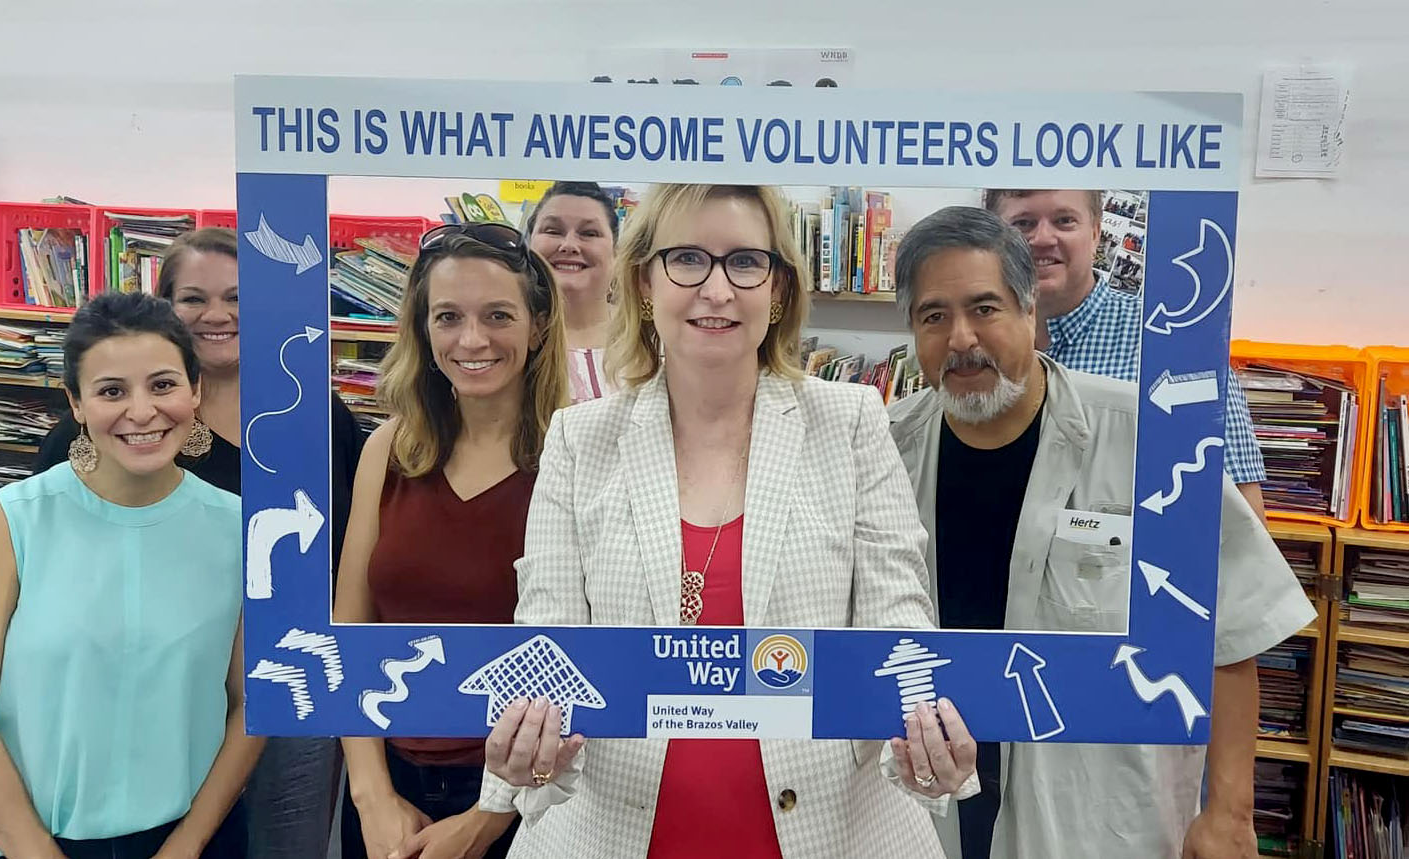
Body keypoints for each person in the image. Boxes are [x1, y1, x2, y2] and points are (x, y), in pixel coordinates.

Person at [480, 183, 979, 859]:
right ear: (645, 282)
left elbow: (899, 624)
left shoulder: (852, 422)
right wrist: (530, 753)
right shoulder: (579, 439)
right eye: (687, 258)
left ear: (776, 291)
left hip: (833, 833)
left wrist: (924, 740)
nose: (716, 289)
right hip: (613, 835)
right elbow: (551, 649)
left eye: (745, 262)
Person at [885, 206, 1316, 859]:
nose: (961, 338)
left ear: (1033, 314)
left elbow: (1231, 633)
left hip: (1095, 808)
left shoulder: (1149, 441)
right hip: (926, 797)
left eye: (986, 308)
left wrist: (1228, 810)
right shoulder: (882, 450)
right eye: (934, 316)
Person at [32, 227, 363, 859]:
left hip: (286, 676)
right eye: (194, 299)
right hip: (150, 684)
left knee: (281, 843)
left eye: (238, 296)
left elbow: (345, 553)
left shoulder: (315, 415)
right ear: (165, 309)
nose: (217, 315)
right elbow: (48, 553)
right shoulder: (109, 427)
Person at [0, 291, 260, 859]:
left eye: (162, 384)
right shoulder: (7, 524)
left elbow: (252, 704)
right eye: (111, 391)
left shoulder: (239, 531)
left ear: (196, 389)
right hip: (20, 843)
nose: (141, 411)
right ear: (75, 403)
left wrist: (188, 843)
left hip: (186, 839)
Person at [333, 221, 570, 859]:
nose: (472, 340)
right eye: (448, 317)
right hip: (390, 792)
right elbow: (350, 629)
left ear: (538, 326)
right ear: (422, 329)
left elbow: (583, 659)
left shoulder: (576, 458)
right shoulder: (388, 450)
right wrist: (370, 795)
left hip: (530, 799)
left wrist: (489, 818)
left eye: (498, 315)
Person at [982, 189, 1269, 520]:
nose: (1043, 238)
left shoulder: (1174, 347)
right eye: (1023, 223)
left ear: (1095, 233)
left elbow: (1242, 526)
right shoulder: (971, 346)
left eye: (1064, 220)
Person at [523, 181, 619, 403]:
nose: (569, 245)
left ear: (617, 252)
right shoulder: (507, 339)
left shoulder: (652, 340)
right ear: (528, 246)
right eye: (553, 231)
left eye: (589, 233)